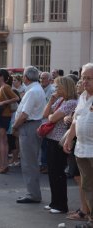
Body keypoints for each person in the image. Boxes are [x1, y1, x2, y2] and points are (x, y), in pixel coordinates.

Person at [63, 63, 93, 228]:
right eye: (83, 78)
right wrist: (69, 139)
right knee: (88, 186)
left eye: (89, 78)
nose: (85, 82)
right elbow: (76, 119)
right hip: (82, 149)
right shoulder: (82, 97)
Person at [42, 76, 77, 214]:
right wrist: (51, 100)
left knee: (58, 172)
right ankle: (54, 202)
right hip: (52, 138)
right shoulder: (62, 100)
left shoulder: (71, 102)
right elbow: (45, 114)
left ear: (65, 87)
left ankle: (61, 205)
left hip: (59, 140)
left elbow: (52, 117)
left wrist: (52, 115)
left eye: (58, 87)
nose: (55, 89)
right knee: (52, 172)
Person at [12, 66, 46, 204]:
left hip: (29, 126)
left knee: (29, 162)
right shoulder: (35, 89)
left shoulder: (33, 91)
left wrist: (15, 126)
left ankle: (33, 193)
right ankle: (32, 192)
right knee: (30, 161)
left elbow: (25, 114)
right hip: (32, 125)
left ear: (26, 77)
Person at [0, 69, 19, 174]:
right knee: (2, 141)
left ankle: (2, 166)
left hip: (4, 116)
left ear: (2, 76)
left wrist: (2, 103)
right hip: (3, 116)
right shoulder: (3, 87)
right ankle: (3, 165)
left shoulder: (5, 87)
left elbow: (16, 98)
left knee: (1, 141)